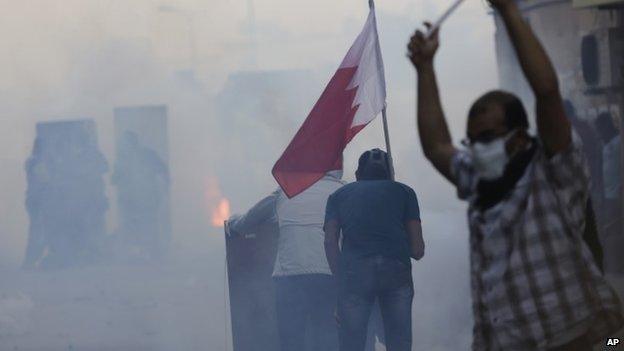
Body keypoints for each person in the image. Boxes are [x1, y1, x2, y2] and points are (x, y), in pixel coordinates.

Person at [408, 0, 623, 350]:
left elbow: (547, 92)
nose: (478, 149)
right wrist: (424, 68)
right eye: (473, 140)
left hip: (568, 336)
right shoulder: (479, 181)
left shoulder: (552, 171)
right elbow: (437, 147)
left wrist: (509, 11)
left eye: (488, 138)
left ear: (519, 135)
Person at [227, 170, 345, 351]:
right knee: (326, 338)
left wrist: (233, 224)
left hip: (290, 275)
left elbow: (247, 221)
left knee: (292, 340)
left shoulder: (286, 190)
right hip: (329, 274)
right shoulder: (343, 191)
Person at [323, 149, 424, 351]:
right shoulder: (405, 192)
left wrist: (340, 277)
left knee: (352, 342)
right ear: (390, 173)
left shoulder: (337, 196)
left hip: (354, 273)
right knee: (399, 342)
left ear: (358, 174)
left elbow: (329, 242)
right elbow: (417, 249)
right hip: (396, 271)